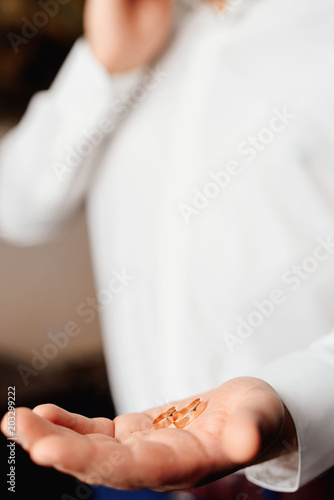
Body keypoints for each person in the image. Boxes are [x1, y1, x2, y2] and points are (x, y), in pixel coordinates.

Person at [1, 0, 334, 496]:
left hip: (306, 471)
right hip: (130, 459)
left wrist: (295, 407)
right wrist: (102, 67)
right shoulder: (129, 36)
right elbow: (18, 209)